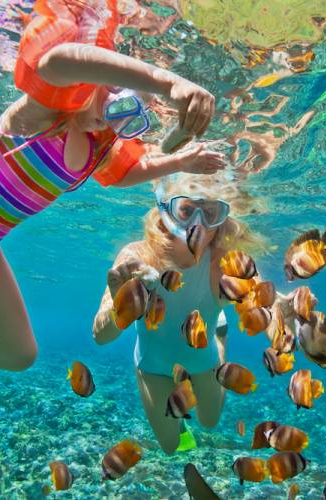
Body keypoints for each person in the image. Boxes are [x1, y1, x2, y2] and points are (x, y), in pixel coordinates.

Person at [0, 0, 227, 404]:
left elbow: (127, 174)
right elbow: (58, 59)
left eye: (126, 118)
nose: (110, 119)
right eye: (113, 102)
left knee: (20, 354)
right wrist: (167, 82)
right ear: (98, 76)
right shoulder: (44, 112)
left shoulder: (99, 148)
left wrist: (182, 161)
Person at [91, 172, 266, 454]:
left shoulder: (224, 262)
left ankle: (220, 339)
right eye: (185, 210)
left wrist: (284, 310)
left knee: (210, 421)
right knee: (172, 446)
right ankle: (171, 391)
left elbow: (263, 302)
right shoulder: (136, 257)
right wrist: (119, 306)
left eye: (210, 213)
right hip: (153, 364)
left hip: (202, 356)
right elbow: (100, 336)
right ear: (165, 210)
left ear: (221, 221)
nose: (197, 224)